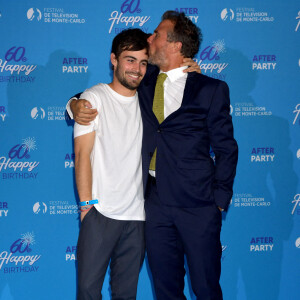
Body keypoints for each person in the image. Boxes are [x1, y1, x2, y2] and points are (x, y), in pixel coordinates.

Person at [70, 11, 238, 300]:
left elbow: (226, 148)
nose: (150, 38)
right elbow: (108, 91)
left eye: (157, 34)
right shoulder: (144, 83)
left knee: (205, 287)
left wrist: (219, 201)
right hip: (155, 206)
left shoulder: (210, 89)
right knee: (165, 289)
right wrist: (73, 103)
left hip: (198, 206)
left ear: (174, 46)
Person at [74, 28, 149, 300]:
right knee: (87, 292)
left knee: (126, 294)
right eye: (130, 60)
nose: (136, 69)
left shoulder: (149, 102)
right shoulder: (93, 99)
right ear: (113, 60)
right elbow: (82, 155)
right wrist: (86, 207)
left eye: (143, 62)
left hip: (137, 218)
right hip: (100, 212)